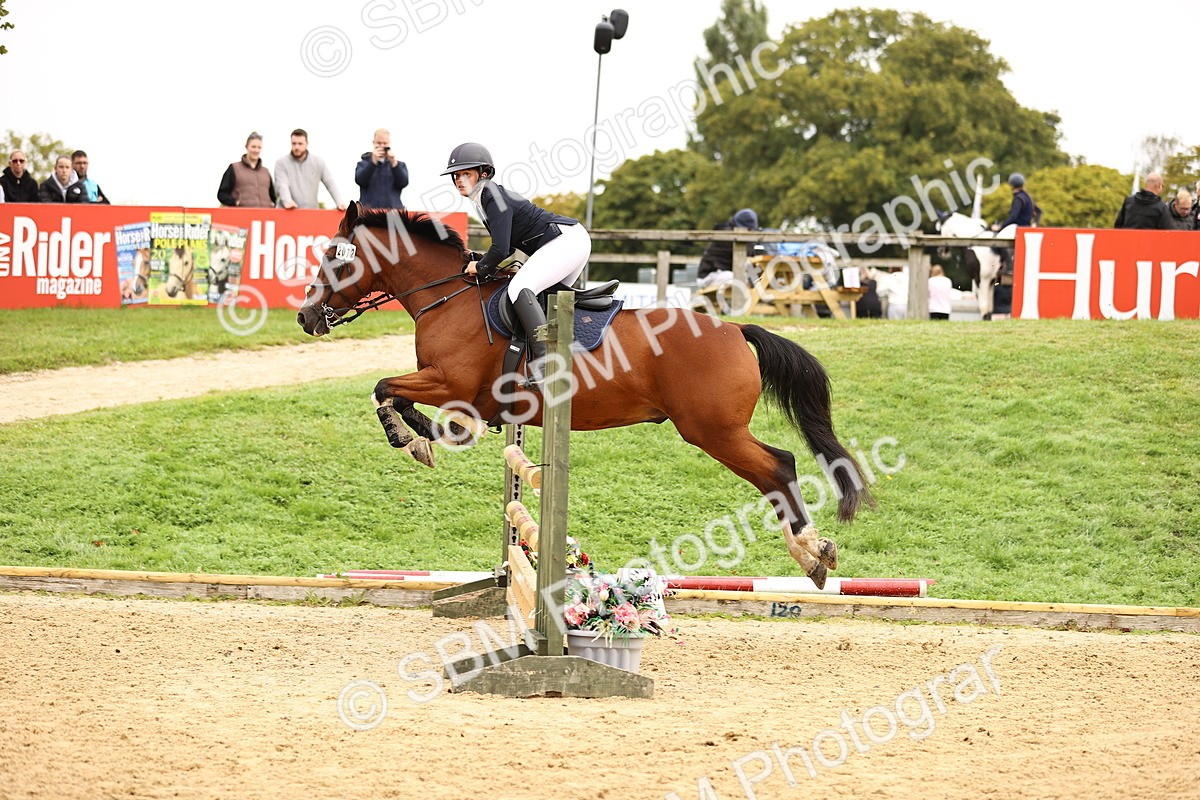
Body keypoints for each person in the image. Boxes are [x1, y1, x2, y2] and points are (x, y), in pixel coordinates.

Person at [444, 142, 590, 390]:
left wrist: (481, 267)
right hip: (569, 241)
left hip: (566, 241)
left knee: (519, 288)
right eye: (456, 175)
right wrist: (480, 259)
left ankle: (546, 365)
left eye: (466, 174)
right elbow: (509, 248)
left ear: (484, 174)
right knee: (547, 299)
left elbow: (501, 250)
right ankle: (566, 353)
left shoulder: (491, 195)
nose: (459, 180)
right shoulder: (483, 199)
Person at [274, 128, 346, 210]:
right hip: (287, 211)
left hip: (310, 212)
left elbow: (330, 183)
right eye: (294, 143)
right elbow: (282, 184)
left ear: (307, 143)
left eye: (300, 144)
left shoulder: (318, 162)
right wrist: (287, 201)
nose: (296, 147)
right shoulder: (281, 163)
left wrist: (340, 202)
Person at [697, 208, 760, 288]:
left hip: (723, 274)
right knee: (740, 278)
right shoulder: (727, 235)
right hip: (708, 276)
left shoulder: (740, 237)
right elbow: (741, 263)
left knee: (752, 278)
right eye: (749, 229)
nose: (751, 232)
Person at [217, 132, 277, 208]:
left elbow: (273, 197)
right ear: (246, 147)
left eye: (259, 147)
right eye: (253, 147)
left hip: (265, 214)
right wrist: (236, 202)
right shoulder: (234, 168)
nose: (256, 150)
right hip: (242, 214)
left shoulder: (266, 172)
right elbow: (222, 194)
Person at [355, 128, 409, 209]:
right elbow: (360, 181)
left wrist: (394, 164)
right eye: (379, 143)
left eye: (385, 143)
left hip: (392, 212)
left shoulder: (399, 165)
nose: (382, 146)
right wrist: (373, 163)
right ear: (373, 143)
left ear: (389, 143)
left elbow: (403, 183)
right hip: (369, 212)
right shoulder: (363, 164)